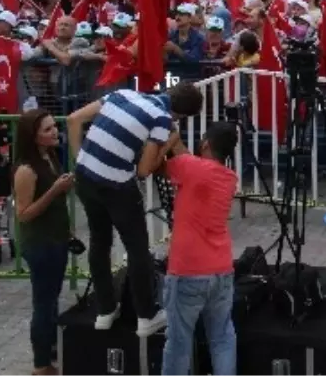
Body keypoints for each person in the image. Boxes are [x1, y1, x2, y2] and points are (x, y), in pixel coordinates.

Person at [67, 82, 205, 336]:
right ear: (180, 115)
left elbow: (73, 119)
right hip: (117, 185)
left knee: (100, 240)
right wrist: (170, 140)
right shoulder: (162, 119)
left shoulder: (122, 93)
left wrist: (80, 161)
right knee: (137, 247)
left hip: (86, 175)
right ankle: (146, 316)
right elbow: (143, 170)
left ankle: (105, 311)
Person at [160, 121, 239, 376]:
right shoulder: (229, 177)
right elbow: (190, 163)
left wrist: (169, 140)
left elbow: (154, 166)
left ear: (204, 143)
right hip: (221, 268)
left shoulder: (189, 167)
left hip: (188, 269)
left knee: (178, 343)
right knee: (223, 338)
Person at [13, 109, 73, 376]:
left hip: (56, 239)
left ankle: (50, 349)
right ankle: (41, 365)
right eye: (47, 130)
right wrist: (54, 191)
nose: (54, 132)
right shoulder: (26, 170)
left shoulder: (49, 158)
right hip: (40, 244)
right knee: (44, 303)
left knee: (51, 300)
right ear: (33, 136)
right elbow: (24, 214)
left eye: (53, 127)